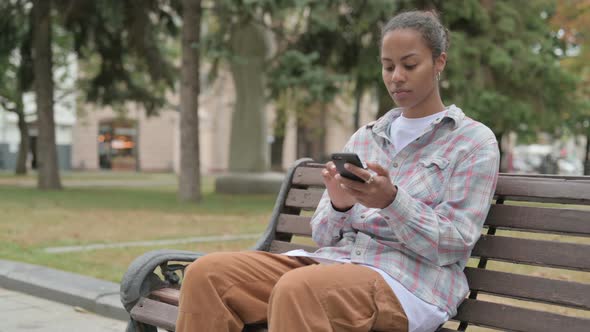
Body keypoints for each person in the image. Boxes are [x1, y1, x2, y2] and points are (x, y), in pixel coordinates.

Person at [176, 10, 499, 332]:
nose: (396, 76)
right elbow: (324, 236)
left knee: (300, 288)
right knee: (207, 274)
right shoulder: (366, 136)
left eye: (409, 65)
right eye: (388, 66)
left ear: (439, 62)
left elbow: (454, 244)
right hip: (335, 265)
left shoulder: (472, 142)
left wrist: (392, 202)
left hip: (411, 283)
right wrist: (339, 204)